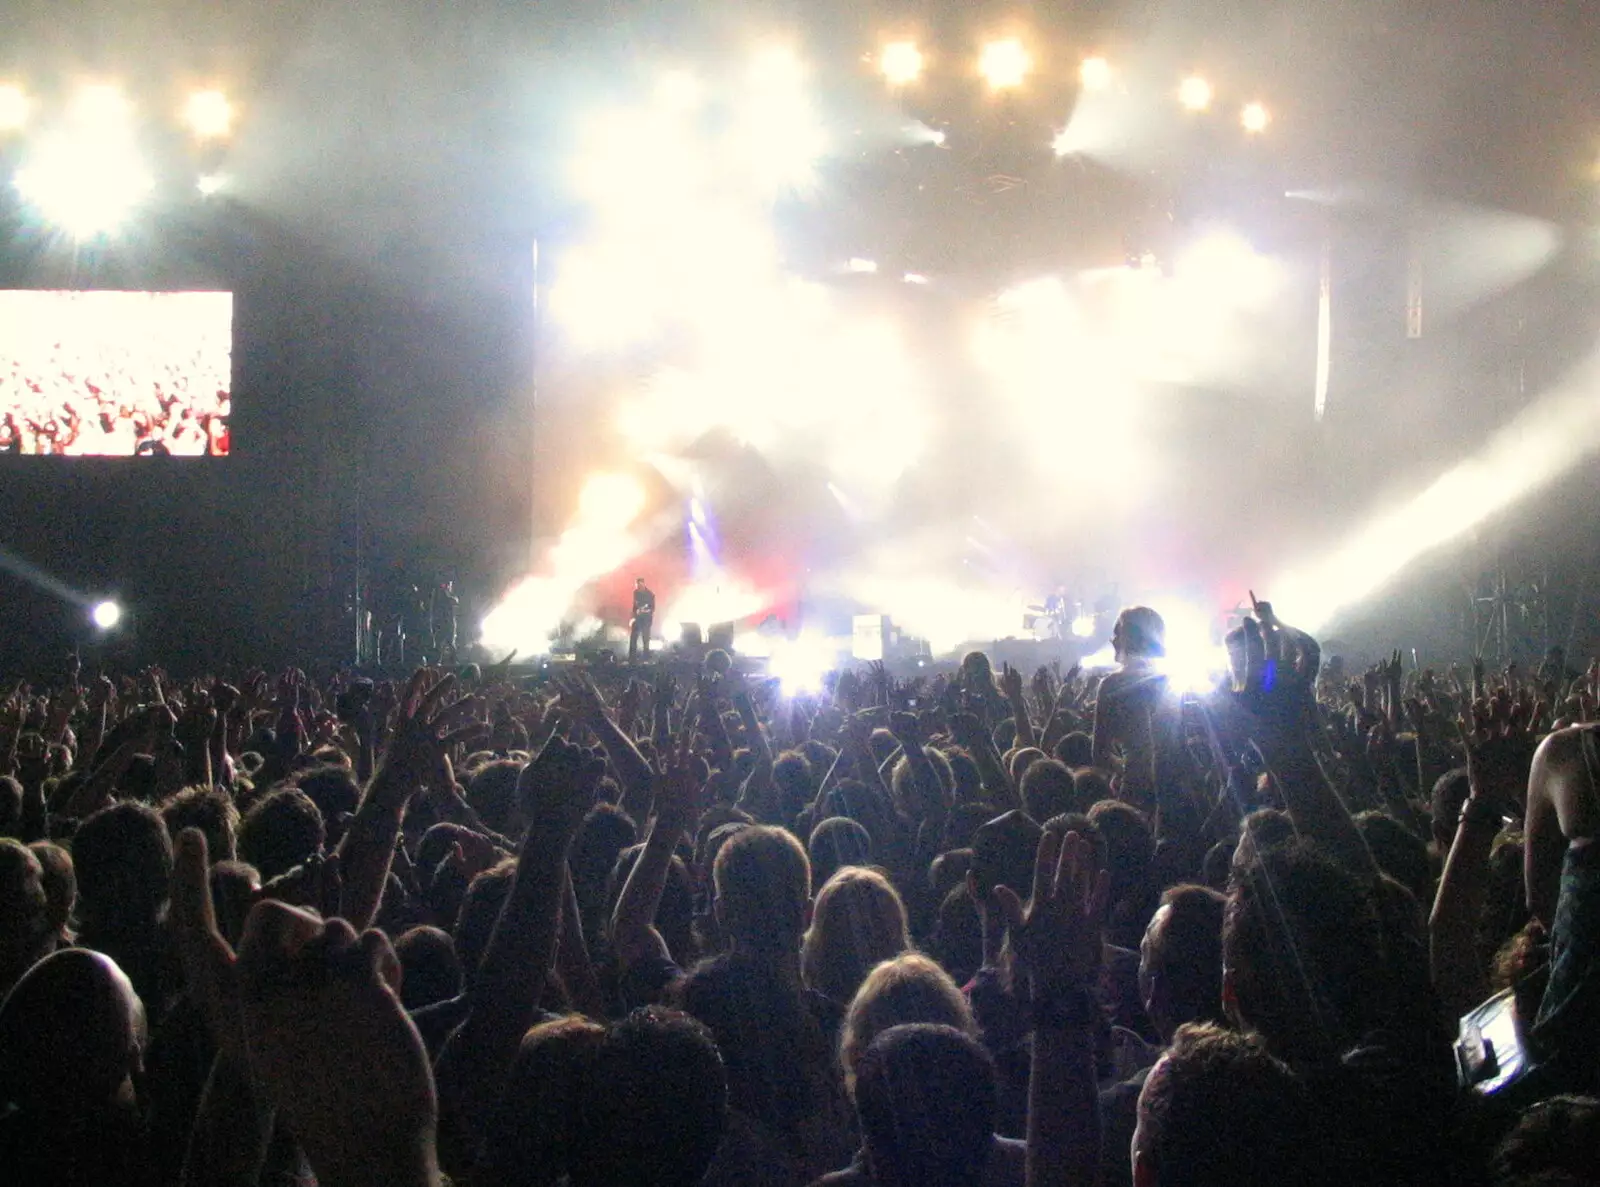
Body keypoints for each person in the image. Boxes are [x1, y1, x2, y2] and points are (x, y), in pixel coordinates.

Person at [630, 577, 656, 663]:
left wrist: (644, 610)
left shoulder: (650, 594)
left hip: (646, 619)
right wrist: (633, 616)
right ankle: (632, 658)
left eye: (640, 585)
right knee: (633, 637)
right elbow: (635, 606)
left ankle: (646, 657)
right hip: (637, 619)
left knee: (645, 639)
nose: (638, 587)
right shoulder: (635, 593)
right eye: (637, 585)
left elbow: (652, 609)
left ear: (643, 584)